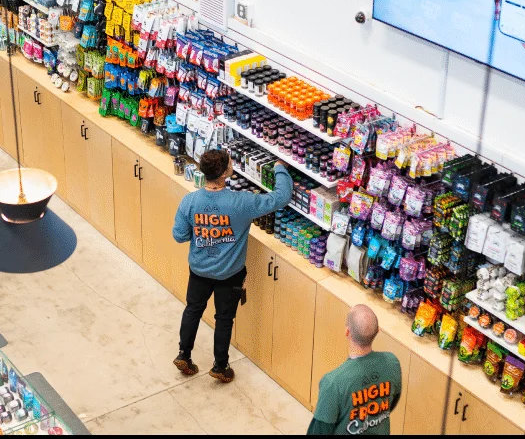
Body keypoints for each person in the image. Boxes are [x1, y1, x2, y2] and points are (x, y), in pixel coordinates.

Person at [172, 149, 292, 382]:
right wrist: (279, 168)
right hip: (230, 274)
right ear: (226, 172)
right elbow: (280, 198)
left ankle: (184, 354)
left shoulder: (190, 201)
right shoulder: (242, 203)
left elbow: (179, 236)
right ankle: (220, 366)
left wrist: (203, 232)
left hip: (199, 270)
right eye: (230, 162)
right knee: (224, 319)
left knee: (193, 310)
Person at [308, 305, 403, 436]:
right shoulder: (392, 363)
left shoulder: (333, 383)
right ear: (378, 331)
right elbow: (391, 402)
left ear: (347, 332)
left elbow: (320, 430)